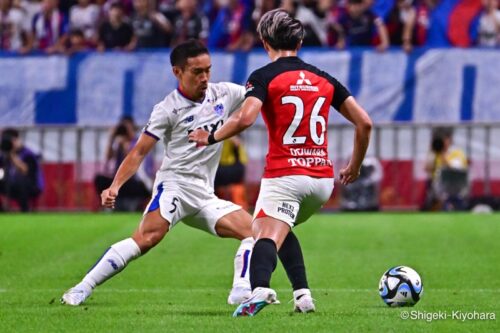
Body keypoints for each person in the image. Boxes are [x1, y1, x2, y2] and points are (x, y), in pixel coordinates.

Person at [61, 39, 312, 309]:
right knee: (147, 238)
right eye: (197, 72)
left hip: (205, 193)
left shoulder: (224, 93)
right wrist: (115, 186)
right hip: (175, 187)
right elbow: (138, 152)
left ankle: (241, 290)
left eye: (208, 70)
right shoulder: (167, 109)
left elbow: (263, 95)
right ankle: (81, 288)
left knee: (257, 233)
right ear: (177, 72)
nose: (205, 78)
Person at [189, 9, 372, 317]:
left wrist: (210, 137)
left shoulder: (263, 76)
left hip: (286, 174)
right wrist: (354, 166)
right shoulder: (323, 78)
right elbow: (364, 123)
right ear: (299, 42)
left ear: (265, 42)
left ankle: (259, 289)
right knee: (282, 226)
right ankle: (303, 296)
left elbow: (245, 118)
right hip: (322, 181)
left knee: (261, 231)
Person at [93, 116, 152, 212]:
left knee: (126, 181)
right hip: (120, 181)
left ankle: (134, 205)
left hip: (137, 182)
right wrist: (111, 138)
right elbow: (108, 157)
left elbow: (132, 164)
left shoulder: (139, 142)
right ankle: (108, 205)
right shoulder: (118, 142)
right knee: (100, 179)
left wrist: (126, 146)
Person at [422, 128, 468, 211]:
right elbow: (427, 169)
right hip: (437, 186)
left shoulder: (457, 153)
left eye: (444, 139)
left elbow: (454, 169)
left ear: (449, 140)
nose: (442, 142)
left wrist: (443, 155)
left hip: (454, 187)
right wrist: (432, 153)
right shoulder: (435, 152)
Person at [0, 128, 43, 212]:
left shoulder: (27, 153)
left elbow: (25, 170)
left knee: (21, 180)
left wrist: (12, 155)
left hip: (31, 185)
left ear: (17, 140)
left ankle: (25, 210)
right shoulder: (3, 155)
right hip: (10, 184)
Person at [214, 136, 248, 211]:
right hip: (220, 165)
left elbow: (237, 143)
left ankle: (241, 211)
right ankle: (220, 210)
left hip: (234, 165)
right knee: (220, 192)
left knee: (236, 191)